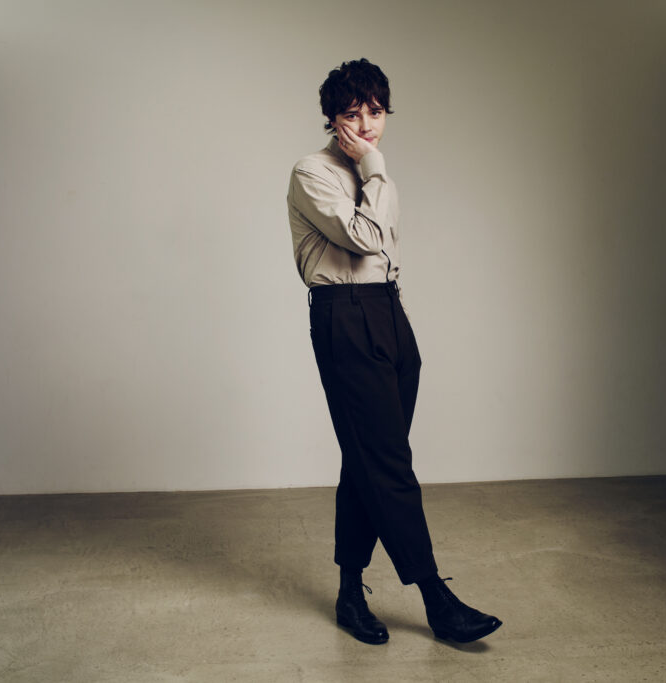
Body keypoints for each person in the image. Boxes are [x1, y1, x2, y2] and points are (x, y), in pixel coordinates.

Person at [286, 58, 502, 645]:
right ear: (332, 118)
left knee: (369, 461)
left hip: (388, 312)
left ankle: (349, 593)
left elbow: (386, 254)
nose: (366, 126)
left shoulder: (374, 174)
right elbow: (364, 238)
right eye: (352, 114)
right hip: (345, 315)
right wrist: (375, 170)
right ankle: (436, 598)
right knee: (387, 463)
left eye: (376, 113)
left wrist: (375, 175)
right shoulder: (313, 171)